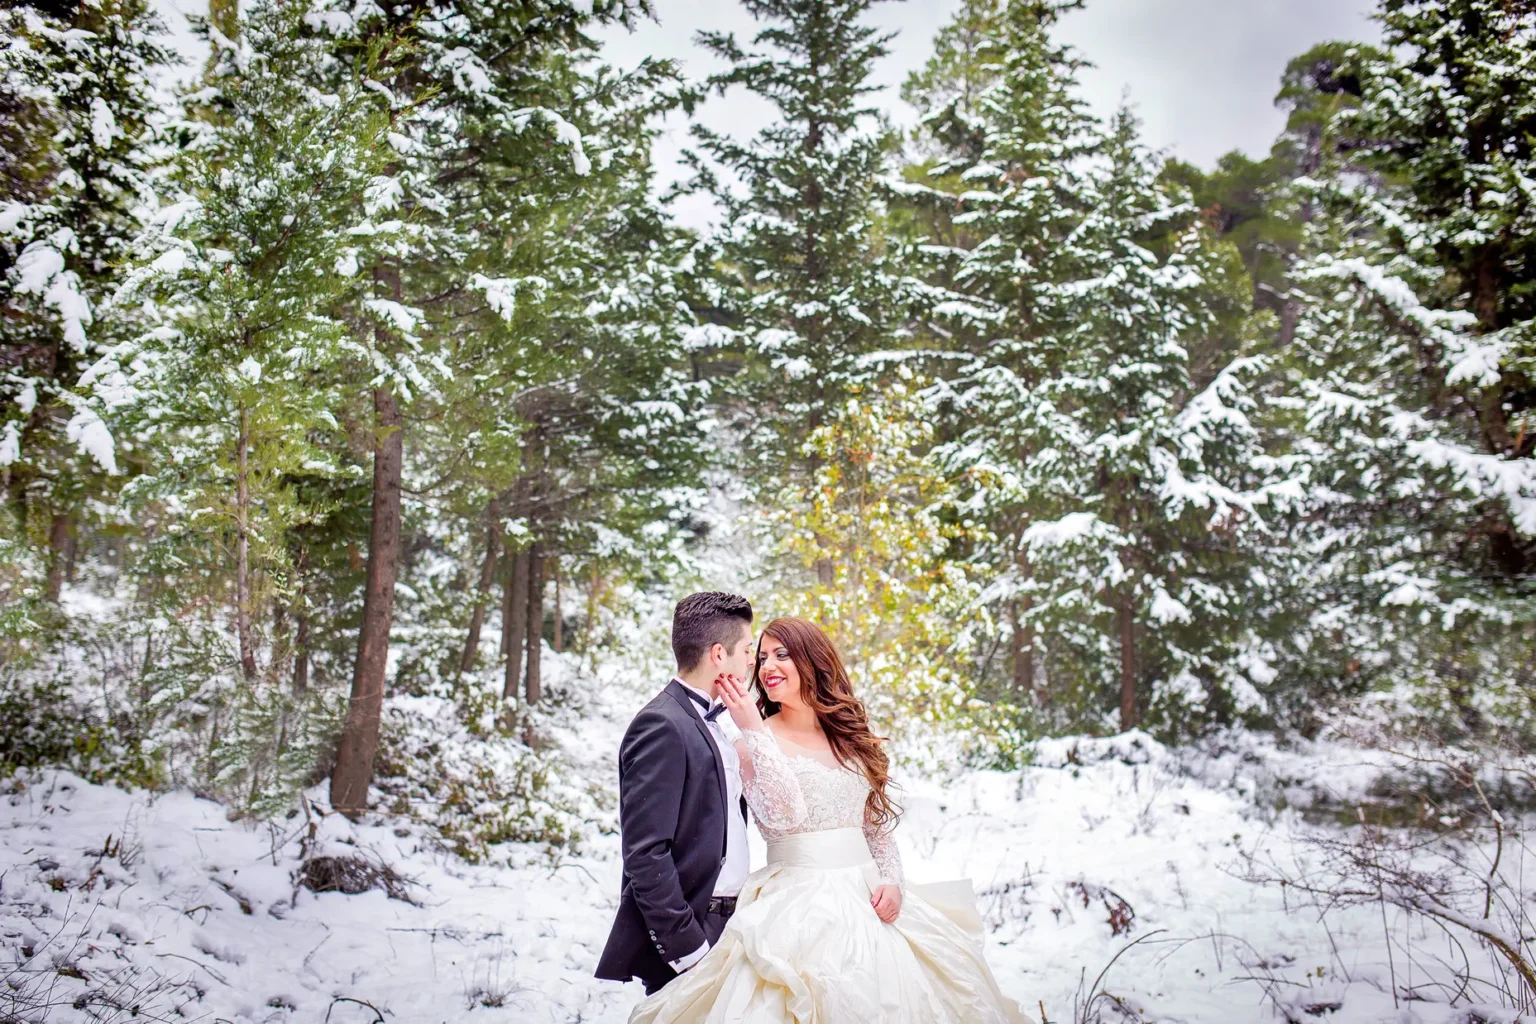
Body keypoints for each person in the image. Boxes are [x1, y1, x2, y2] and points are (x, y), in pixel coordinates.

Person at [627, 615, 1033, 1023]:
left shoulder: (851, 737)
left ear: (813, 660)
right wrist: (754, 730)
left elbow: (874, 828)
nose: (766, 667)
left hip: (869, 901)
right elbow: (783, 816)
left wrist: (893, 881)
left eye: (781, 654)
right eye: (762, 656)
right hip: (797, 908)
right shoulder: (748, 742)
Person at [595, 592, 758, 994]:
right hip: (691, 934)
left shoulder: (715, 720)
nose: (753, 660)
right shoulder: (661, 724)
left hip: (730, 923)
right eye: (747, 649)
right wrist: (689, 949)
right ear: (719, 655)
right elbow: (645, 853)